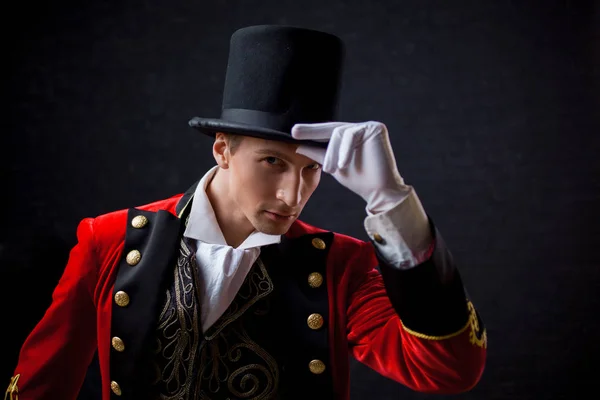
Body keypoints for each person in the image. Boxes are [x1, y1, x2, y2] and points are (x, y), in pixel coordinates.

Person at [5, 24, 487, 400]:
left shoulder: (341, 266)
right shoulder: (108, 240)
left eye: (310, 169)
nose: (291, 194)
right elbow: (41, 385)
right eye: (272, 162)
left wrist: (392, 201)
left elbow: (448, 371)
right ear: (222, 149)